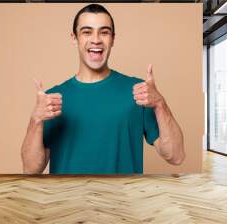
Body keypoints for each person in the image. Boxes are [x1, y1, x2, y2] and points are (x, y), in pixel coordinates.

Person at [21, 3, 185, 174]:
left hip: (123, 200)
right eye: (87, 32)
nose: (96, 39)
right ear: (74, 38)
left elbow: (176, 156)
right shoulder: (52, 100)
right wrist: (36, 120)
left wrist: (160, 104)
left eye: (104, 32)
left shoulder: (140, 92)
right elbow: (31, 169)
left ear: (113, 39)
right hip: (68, 199)